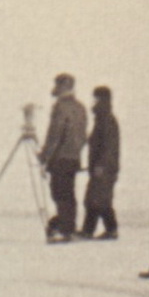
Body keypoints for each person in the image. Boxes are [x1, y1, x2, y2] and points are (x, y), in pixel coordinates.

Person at [36, 73, 88, 243]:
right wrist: (76, 151)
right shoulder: (80, 107)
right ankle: (66, 226)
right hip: (73, 158)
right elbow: (83, 136)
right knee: (68, 194)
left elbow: (55, 134)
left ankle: (66, 229)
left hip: (60, 158)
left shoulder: (60, 107)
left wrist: (45, 156)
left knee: (59, 193)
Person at [78, 85, 121, 240]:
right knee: (95, 199)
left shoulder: (106, 119)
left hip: (104, 168)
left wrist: (101, 165)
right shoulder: (103, 118)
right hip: (102, 167)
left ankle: (106, 230)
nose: (94, 101)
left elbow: (108, 146)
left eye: (96, 98)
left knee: (98, 199)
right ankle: (92, 230)